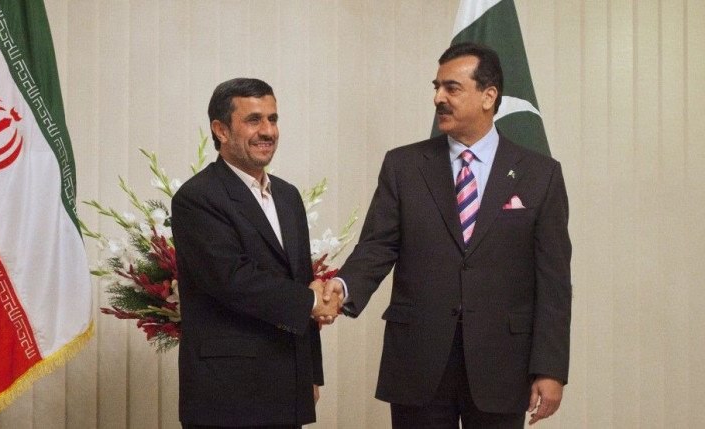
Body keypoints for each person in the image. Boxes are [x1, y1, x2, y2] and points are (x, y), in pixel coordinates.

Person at [323, 43, 572, 428]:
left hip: (502, 365)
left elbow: (554, 281)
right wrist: (342, 286)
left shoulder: (541, 174)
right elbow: (377, 245)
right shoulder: (404, 165)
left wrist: (550, 368)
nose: (438, 97)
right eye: (436, 87)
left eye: (451, 88)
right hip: (418, 361)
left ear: (489, 96)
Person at [171, 78, 340, 429]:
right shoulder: (198, 198)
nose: (268, 131)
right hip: (226, 393)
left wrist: (310, 372)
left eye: (273, 119)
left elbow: (301, 279)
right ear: (220, 130)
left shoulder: (289, 197)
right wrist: (311, 302)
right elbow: (232, 280)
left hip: (288, 386)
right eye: (254, 120)